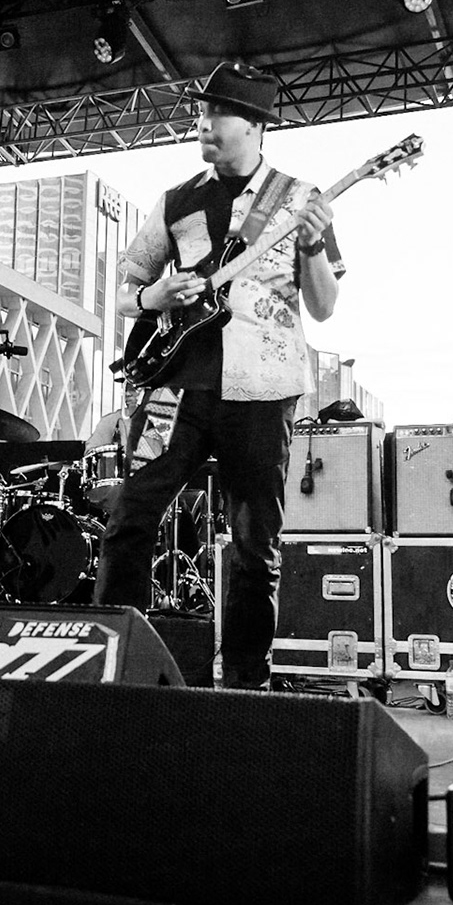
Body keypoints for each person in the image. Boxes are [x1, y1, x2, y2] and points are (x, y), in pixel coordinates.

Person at [93, 61, 339, 690]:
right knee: (130, 518)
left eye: (217, 113)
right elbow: (124, 288)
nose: (202, 123)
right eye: (201, 113)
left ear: (255, 126)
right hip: (173, 383)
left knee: (256, 543)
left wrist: (310, 248)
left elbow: (325, 306)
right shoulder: (177, 200)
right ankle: (115, 669)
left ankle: (246, 683)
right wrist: (153, 299)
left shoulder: (302, 199)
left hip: (262, 390)